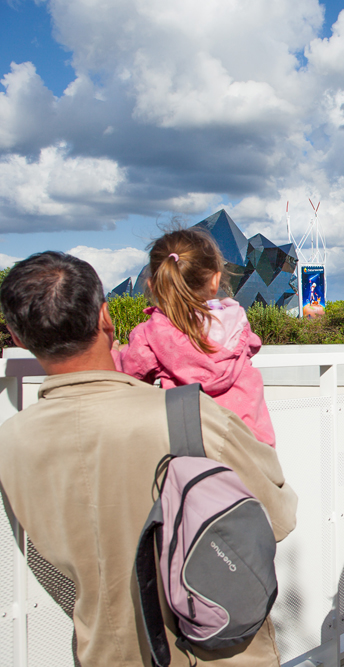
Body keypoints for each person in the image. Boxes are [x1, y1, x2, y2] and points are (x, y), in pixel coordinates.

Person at [0, 251, 298, 666]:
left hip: (101, 652)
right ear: (106, 317)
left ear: (18, 337)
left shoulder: (10, 443)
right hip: (213, 651)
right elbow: (278, 515)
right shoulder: (185, 415)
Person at [118, 228, 276, 446]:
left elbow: (126, 371)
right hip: (253, 451)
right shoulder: (237, 324)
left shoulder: (153, 335)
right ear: (215, 281)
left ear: (153, 286)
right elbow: (253, 344)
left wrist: (115, 351)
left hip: (195, 456)